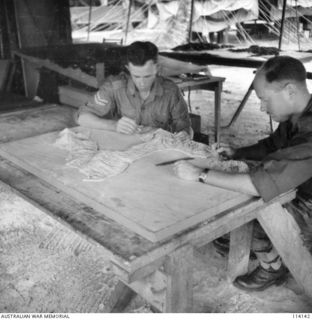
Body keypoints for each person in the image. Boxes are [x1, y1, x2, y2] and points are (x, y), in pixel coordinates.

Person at [173, 55, 312, 291]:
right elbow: (271, 146)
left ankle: (273, 267)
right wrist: (237, 152)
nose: (262, 107)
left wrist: (201, 174)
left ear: (290, 91)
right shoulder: (298, 114)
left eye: (265, 99)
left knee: (246, 212)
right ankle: (260, 245)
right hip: (303, 188)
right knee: (231, 219)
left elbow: (261, 184)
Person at [76, 41, 191, 135]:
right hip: (124, 149)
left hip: (157, 151)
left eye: (147, 76)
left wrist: (183, 136)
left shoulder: (170, 91)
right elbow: (82, 118)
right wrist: (114, 126)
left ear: (157, 68)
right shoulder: (115, 87)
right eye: (136, 76)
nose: (141, 83)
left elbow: (185, 129)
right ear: (128, 69)